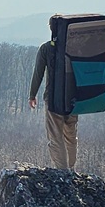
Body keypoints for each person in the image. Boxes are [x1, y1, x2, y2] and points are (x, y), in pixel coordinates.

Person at [28, 18, 78, 170]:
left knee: (56, 137)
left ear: (51, 28)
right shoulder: (76, 47)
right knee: (71, 136)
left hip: (53, 100)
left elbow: (38, 73)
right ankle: (72, 168)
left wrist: (32, 95)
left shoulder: (45, 49)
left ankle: (62, 171)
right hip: (73, 99)